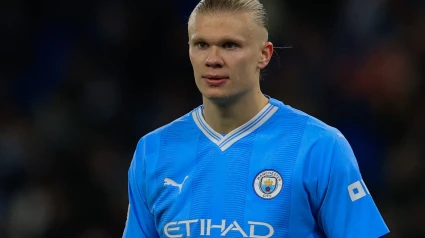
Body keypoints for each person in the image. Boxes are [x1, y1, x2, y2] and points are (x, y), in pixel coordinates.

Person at [122, 0, 390, 237]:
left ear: (264, 55)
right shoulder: (153, 151)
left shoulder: (319, 146)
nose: (212, 59)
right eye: (201, 44)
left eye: (230, 45)